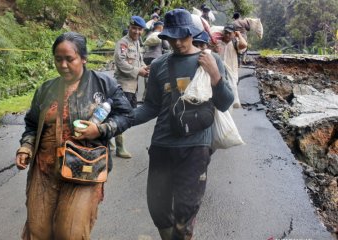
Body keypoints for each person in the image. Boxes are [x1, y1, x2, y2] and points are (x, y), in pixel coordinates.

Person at [15, 32, 133, 239]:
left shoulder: (104, 85)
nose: (63, 65)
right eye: (58, 59)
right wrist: (26, 146)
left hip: (84, 170)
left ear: (83, 58)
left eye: (69, 59)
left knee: (70, 232)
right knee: (38, 231)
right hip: (44, 170)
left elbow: (126, 115)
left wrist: (100, 129)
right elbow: (32, 125)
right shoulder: (45, 90)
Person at [132, 9, 234, 239]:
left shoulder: (211, 60)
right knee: (158, 208)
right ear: (165, 37)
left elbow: (226, 103)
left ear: (192, 33)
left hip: (195, 148)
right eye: (171, 37)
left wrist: (215, 74)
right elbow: (150, 106)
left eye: (182, 36)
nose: (177, 42)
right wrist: (122, 120)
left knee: (185, 212)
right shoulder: (159, 65)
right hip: (162, 146)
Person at [114, 16, 149, 158]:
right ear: (129, 27)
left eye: (139, 29)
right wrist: (137, 71)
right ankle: (119, 146)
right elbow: (120, 62)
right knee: (121, 116)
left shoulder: (137, 43)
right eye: (134, 28)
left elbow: (138, 62)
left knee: (126, 115)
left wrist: (145, 68)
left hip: (133, 87)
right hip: (123, 85)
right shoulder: (123, 43)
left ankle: (110, 140)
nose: (136, 31)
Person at [213, 24, 247, 109]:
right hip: (219, 71)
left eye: (230, 33)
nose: (227, 35)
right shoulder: (217, 43)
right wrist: (214, 50)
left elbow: (244, 45)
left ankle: (229, 109)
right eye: (226, 32)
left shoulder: (235, 43)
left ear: (233, 34)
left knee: (230, 92)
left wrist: (239, 35)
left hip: (232, 72)